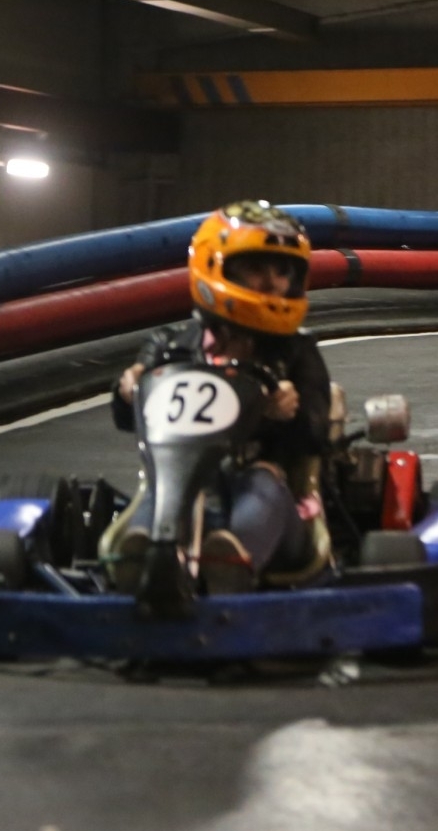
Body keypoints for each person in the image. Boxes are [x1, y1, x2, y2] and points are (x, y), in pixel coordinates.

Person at [107, 200, 331, 594]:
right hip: (182, 481)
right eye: (256, 268)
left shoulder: (297, 352)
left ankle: (230, 563)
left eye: (283, 271)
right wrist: (129, 392)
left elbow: (317, 435)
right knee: (168, 490)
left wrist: (288, 414)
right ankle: (140, 557)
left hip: (273, 493)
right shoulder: (170, 346)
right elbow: (129, 420)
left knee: (262, 481)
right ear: (214, 267)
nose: (272, 283)